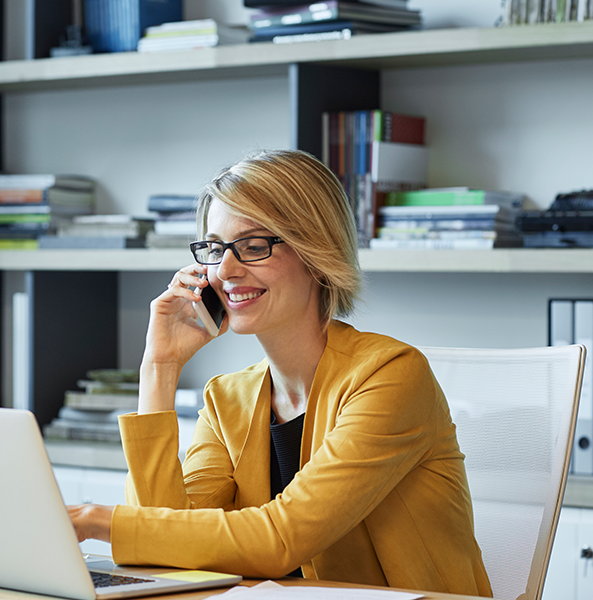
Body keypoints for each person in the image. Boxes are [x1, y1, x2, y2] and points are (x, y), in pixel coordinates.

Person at [67, 149, 492, 596]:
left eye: (253, 246)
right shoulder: (226, 399)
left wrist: (95, 520)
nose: (225, 271)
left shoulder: (390, 376)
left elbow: (280, 538)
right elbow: (164, 547)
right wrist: (159, 367)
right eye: (214, 249)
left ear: (316, 252)